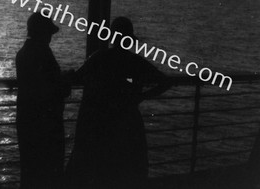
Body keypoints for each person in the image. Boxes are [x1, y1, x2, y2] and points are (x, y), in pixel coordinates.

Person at [66, 17, 171, 189]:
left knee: (100, 170)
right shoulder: (135, 62)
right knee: (127, 169)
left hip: (101, 123)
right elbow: (165, 82)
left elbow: (77, 77)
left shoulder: (98, 58)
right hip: (128, 122)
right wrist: (141, 97)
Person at [15, 13, 71, 188]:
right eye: (48, 33)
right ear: (42, 33)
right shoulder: (43, 53)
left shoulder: (23, 53)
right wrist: (66, 82)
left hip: (27, 121)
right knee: (50, 172)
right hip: (46, 125)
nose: (50, 38)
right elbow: (54, 89)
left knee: (30, 171)